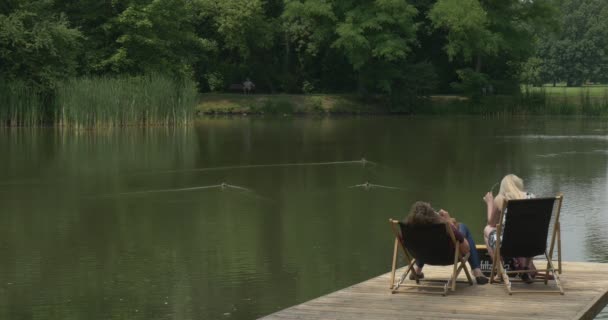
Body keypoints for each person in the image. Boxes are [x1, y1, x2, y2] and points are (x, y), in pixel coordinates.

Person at [405, 201, 489, 285]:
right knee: (463, 226)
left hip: (423, 256)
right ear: (432, 216)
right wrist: (449, 222)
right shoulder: (445, 229)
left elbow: (404, 243)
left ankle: (417, 270)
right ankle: (477, 271)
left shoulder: (408, 230)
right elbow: (466, 249)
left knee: (422, 241)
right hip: (448, 257)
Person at [483, 174, 537, 283]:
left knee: (487, 229)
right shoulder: (532, 197)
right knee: (526, 233)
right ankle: (525, 268)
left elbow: (492, 223)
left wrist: (490, 203)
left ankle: (500, 271)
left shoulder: (501, 199)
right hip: (532, 243)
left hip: (509, 244)